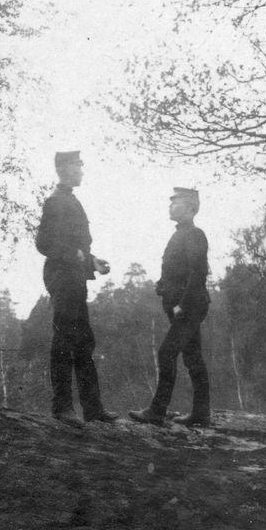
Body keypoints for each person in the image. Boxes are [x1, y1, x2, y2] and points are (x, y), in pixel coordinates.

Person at [35, 151, 117, 427]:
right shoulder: (56, 201)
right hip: (62, 277)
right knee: (64, 339)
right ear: (65, 169)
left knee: (83, 340)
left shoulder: (70, 200)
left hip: (74, 277)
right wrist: (73, 255)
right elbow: (43, 243)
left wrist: (92, 261)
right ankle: (62, 407)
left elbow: (76, 246)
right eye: (78, 166)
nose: (82, 171)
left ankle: (93, 409)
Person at [129, 187, 212, 429]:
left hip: (189, 308)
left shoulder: (194, 234)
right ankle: (201, 414)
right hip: (182, 307)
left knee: (167, 353)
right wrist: (162, 284)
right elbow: (178, 270)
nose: (170, 206)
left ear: (190, 208)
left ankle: (157, 411)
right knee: (193, 357)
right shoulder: (181, 234)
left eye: (175, 203)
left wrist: (182, 305)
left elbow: (198, 273)